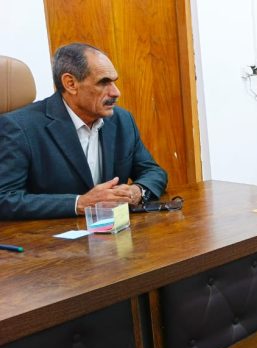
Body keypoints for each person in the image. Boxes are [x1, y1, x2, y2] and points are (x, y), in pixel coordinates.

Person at [0, 43, 167, 219]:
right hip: (52, 234)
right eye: (103, 82)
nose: (115, 92)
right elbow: (4, 198)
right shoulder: (19, 127)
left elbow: (154, 172)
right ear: (71, 84)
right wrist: (79, 203)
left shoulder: (121, 119)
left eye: (113, 82)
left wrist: (137, 191)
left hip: (115, 230)